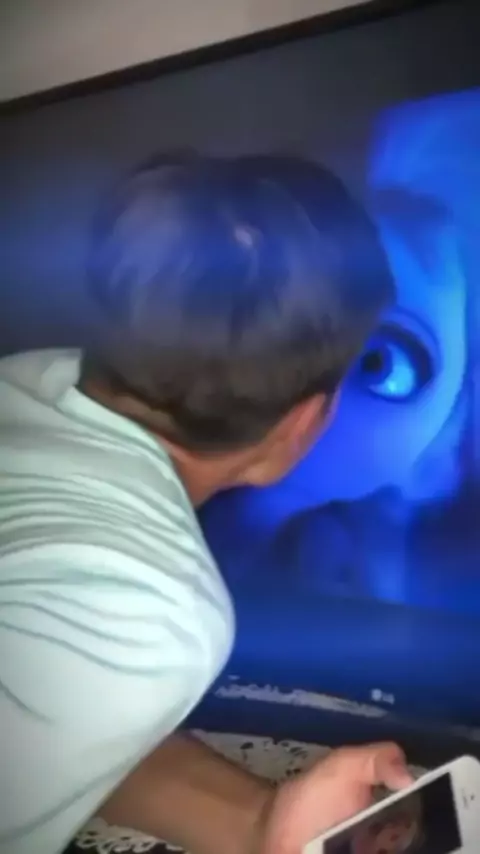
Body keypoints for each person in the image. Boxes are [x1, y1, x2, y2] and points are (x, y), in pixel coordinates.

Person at [0, 152, 412, 854]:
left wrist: (261, 826)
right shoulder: (152, 613)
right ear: (303, 423)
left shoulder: (23, 384)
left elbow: (46, 719)